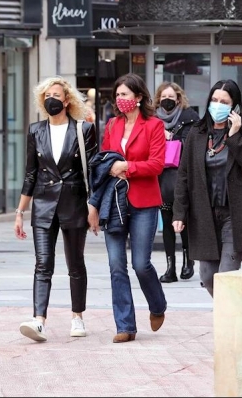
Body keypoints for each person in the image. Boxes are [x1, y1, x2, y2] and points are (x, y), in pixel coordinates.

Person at [14, 77, 98, 342]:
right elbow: (31, 173)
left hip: (74, 203)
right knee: (43, 264)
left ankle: (77, 317)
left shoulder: (83, 129)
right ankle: (39, 321)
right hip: (43, 205)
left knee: (75, 264)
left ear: (67, 100)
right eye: (47, 94)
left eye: (57, 94)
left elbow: (93, 173)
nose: (52, 98)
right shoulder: (35, 130)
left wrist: (93, 207)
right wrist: (20, 212)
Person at [172, 79, 242, 297]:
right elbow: (184, 174)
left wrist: (235, 136)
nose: (218, 105)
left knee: (227, 276)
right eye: (214, 100)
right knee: (207, 277)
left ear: (234, 106)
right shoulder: (198, 132)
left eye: (224, 101)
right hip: (204, 215)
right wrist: (179, 213)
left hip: (235, 214)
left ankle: (229, 327)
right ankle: (233, 315)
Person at [96, 73, 167, 343]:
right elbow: (103, 161)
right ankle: (125, 326)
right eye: (117, 95)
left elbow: (157, 164)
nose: (120, 99)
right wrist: (94, 205)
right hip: (113, 202)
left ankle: (157, 304)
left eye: (124, 94)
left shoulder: (154, 126)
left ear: (138, 98)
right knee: (116, 265)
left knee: (140, 263)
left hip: (143, 202)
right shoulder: (112, 125)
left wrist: (127, 167)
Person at [152, 82, 199, 283]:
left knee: (184, 221)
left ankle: (188, 261)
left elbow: (195, 145)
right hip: (162, 178)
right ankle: (170, 267)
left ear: (178, 98)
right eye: (163, 97)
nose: (167, 100)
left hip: (184, 177)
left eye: (171, 96)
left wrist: (172, 138)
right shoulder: (153, 121)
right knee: (167, 220)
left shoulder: (190, 118)